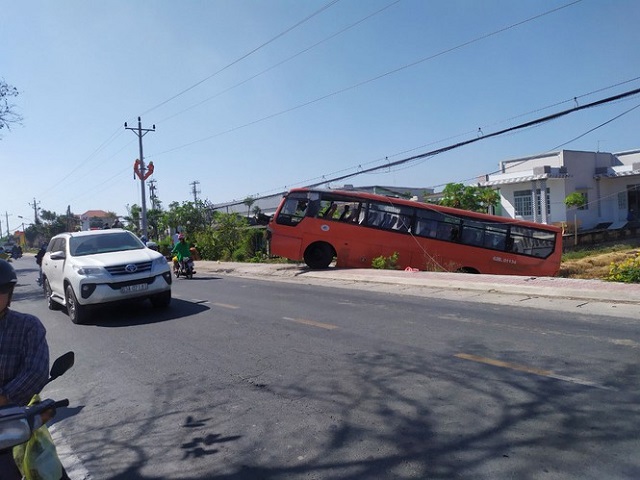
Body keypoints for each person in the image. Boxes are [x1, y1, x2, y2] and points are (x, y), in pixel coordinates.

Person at [0, 259, 50, 479]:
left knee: (48, 471)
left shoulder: (28, 326)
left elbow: (36, 372)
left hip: (14, 425)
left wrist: (3, 397)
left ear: (9, 292)